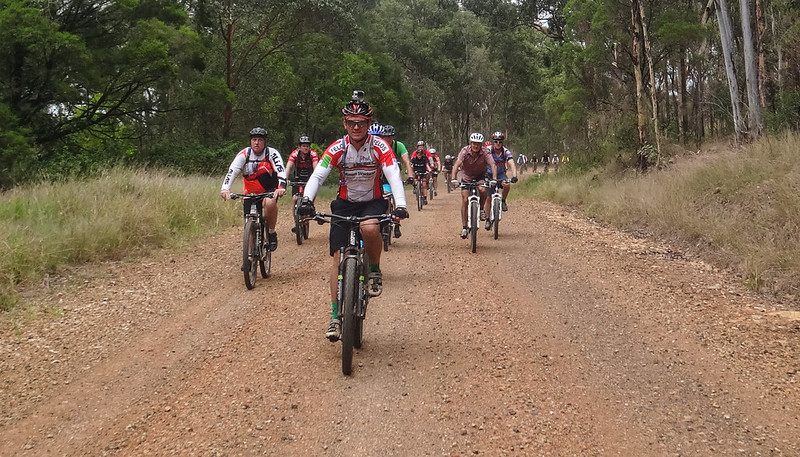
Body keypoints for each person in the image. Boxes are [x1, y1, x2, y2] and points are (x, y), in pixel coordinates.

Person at [298, 90, 408, 342]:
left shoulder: (379, 146)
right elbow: (318, 175)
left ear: (369, 124)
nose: (356, 127)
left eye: (361, 123)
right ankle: (336, 316)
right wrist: (307, 200)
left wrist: (400, 204)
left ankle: (375, 268)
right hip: (345, 203)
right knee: (338, 256)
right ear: (344, 123)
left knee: (370, 229)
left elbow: (392, 174)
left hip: (372, 202)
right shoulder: (338, 147)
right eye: (351, 122)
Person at [220, 127, 287, 251]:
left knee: (270, 202)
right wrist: (225, 188)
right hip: (250, 192)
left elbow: (281, 171)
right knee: (249, 221)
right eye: (254, 139)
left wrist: (281, 187)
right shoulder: (244, 154)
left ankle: (271, 232)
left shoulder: (271, 153)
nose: (256, 142)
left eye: (260, 140)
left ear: (264, 142)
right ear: (250, 141)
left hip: (269, 190)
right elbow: (232, 171)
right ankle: (250, 256)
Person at [450, 133, 496, 239]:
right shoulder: (465, 151)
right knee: (465, 200)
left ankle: (480, 209)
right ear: (471, 143)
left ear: (481, 144)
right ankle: (465, 227)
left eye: (478, 144)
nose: (476, 146)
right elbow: (457, 164)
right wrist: (453, 178)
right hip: (466, 177)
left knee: (483, 189)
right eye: (474, 143)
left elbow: (492, 164)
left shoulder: (485, 152)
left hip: (480, 176)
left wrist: (494, 179)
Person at [380, 124, 413, 238]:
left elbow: (407, 161)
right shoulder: (379, 146)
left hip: (395, 177)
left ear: (393, 137)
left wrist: (410, 176)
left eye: (390, 137)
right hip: (382, 177)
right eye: (385, 137)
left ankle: (397, 224)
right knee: (386, 199)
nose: (387, 139)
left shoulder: (399, 146)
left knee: (396, 198)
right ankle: (385, 222)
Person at [284, 135, 319, 227]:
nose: (305, 148)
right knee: (294, 199)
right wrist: (284, 179)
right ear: (299, 147)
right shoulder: (295, 154)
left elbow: (316, 167)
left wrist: (316, 179)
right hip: (297, 178)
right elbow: (288, 167)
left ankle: (310, 208)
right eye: (303, 146)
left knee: (310, 198)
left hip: (309, 178)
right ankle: (296, 222)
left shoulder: (313, 154)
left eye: (307, 146)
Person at [484, 131, 518, 226]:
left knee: (507, 184)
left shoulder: (505, 152)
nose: (498, 144)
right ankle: (487, 219)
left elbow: (511, 163)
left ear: (502, 143)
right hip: (488, 174)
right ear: (493, 142)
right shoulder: (487, 150)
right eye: (496, 142)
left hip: (500, 174)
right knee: (488, 197)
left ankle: (503, 200)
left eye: (500, 142)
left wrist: (514, 176)